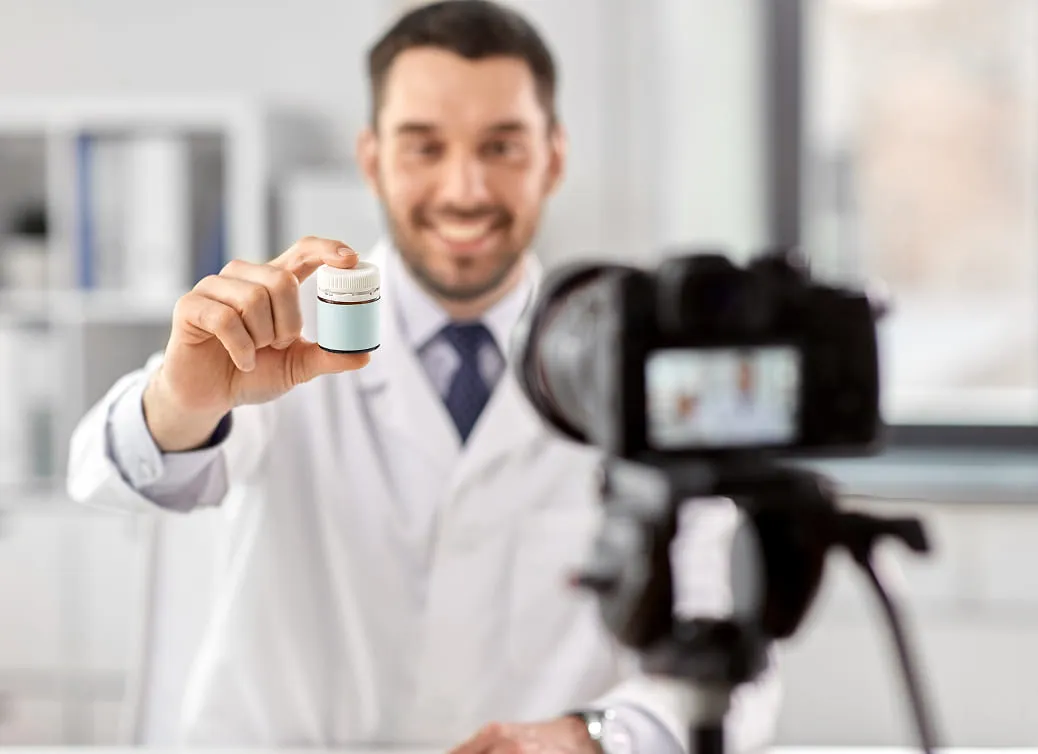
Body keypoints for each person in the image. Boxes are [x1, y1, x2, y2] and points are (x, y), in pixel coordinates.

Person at [67, 1, 782, 751]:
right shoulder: (283, 331)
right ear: (372, 158)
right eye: (424, 147)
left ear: (554, 157)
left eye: (502, 146)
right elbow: (111, 475)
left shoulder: (644, 364)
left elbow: (728, 645)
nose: (465, 189)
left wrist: (597, 735)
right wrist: (182, 400)